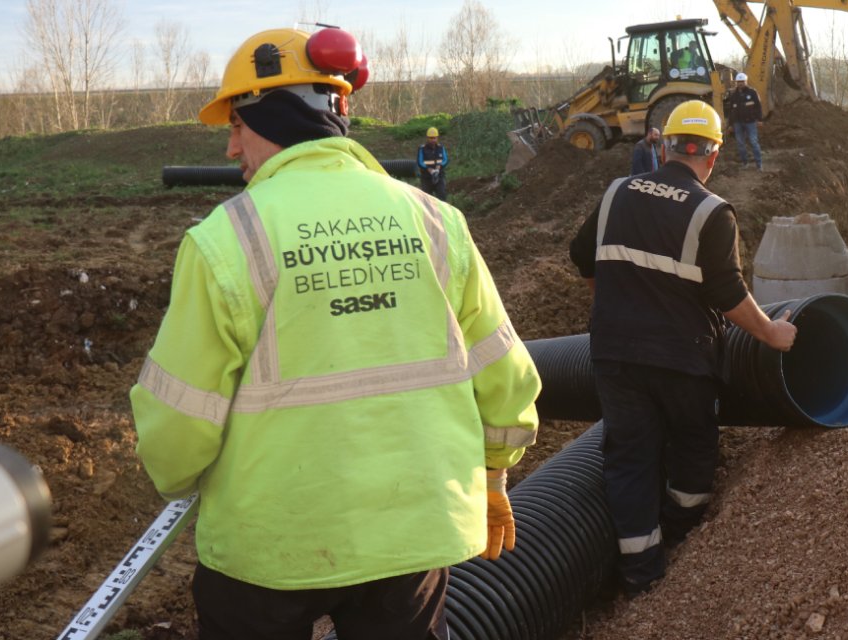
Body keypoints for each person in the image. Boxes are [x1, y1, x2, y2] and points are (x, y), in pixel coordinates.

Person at [130, 26, 542, 640]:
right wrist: (494, 471)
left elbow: (178, 420)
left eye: (236, 125)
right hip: (409, 538)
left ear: (274, 114)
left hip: (268, 549)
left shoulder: (226, 238)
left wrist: (177, 478)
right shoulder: (437, 222)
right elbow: (505, 375)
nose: (229, 148)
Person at [567, 100, 796, 595]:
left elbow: (582, 257)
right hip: (682, 359)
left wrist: (612, 301)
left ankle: (641, 573)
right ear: (713, 155)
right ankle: (682, 539)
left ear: (665, 145)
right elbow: (728, 293)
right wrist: (771, 334)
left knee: (630, 457)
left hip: (615, 355)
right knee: (693, 449)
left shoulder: (615, 193)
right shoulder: (712, 212)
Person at [723, 72, 763, 170]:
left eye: (742, 82)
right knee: (740, 144)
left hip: (751, 122)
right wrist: (730, 125)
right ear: (736, 82)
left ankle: (759, 165)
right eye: (738, 82)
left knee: (753, 142)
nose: (740, 83)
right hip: (738, 123)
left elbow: (758, 107)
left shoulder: (752, 92)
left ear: (746, 82)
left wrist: (759, 120)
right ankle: (745, 163)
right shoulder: (734, 95)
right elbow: (731, 110)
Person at [418, 127, 450, 201]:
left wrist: (439, 166)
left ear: (437, 138)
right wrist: (429, 169)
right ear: (427, 138)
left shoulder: (441, 148)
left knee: (442, 195)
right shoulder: (422, 149)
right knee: (426, 198)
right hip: (426, 177)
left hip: (439, 175)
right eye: (431, 138)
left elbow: (445, 159)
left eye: (434, 138)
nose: (433, 140)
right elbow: (420, 162)